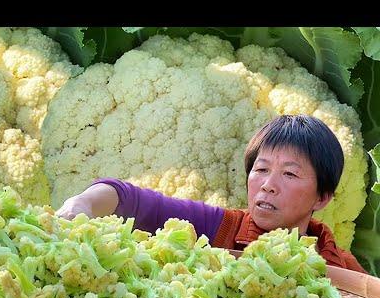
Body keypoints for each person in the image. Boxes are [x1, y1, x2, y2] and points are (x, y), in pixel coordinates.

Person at [56, 114, 367, 274]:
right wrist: (83, 202)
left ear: (322, 198)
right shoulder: (217, 229)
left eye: (289, 174)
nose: (268, 184)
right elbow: (130, 199)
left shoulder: (341, 267)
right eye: (260, 170)